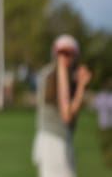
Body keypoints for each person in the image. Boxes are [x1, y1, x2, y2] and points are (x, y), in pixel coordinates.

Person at [32, 34, 92, 177]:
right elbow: (66, 115)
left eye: (68, 53)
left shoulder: (48, 72)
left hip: (51, 139)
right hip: (55, 142)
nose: (64, 58)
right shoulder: (59, 72)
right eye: (61, 53)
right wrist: (81, 86)